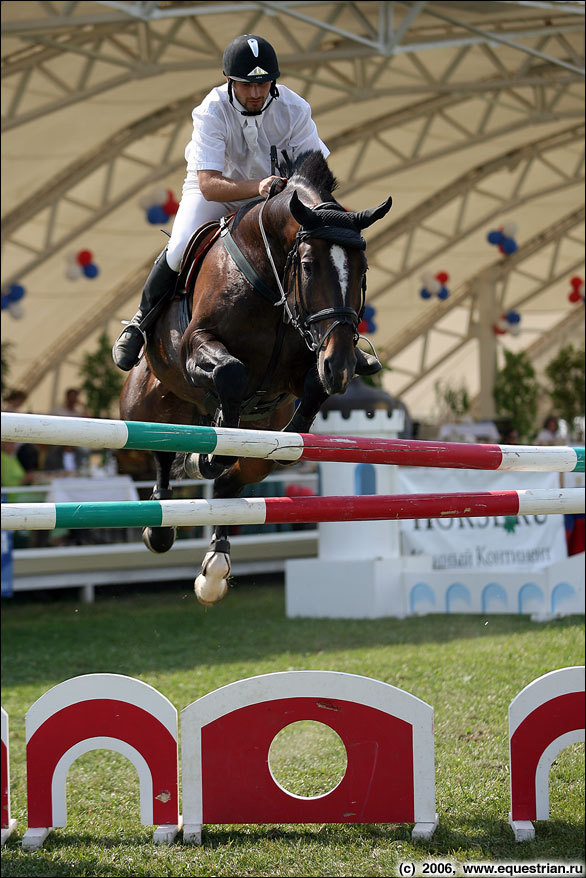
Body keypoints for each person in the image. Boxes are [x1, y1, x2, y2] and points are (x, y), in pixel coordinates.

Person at [112, 33, 381, 377]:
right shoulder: (211, 110)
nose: (256, 93)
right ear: (229, 81)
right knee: (179, 247)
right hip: (215, 189)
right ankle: (140, 322)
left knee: (318, 249)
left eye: (264, 84)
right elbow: (208, 183)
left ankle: (343, 340)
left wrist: (335, 218)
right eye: (246, 86)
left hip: (272, 197)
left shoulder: (295, 109)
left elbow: (315, 176)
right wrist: (258, 186)